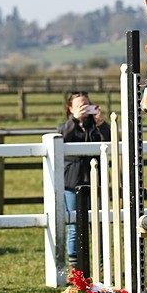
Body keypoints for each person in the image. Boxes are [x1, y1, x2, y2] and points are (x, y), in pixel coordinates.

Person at [57, 91, 111, 265]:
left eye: (86, 104)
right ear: (70, 108)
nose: (83, 108)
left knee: (100, 223)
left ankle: (102, 263)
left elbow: (109, 143)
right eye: (79, 105)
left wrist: (101, 124)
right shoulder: (64, 126)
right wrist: (75, 120)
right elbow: (63, 138)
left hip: (97, 182)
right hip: (73, 182)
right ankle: (75, 265)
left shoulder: (96, 126)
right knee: (74, 225)